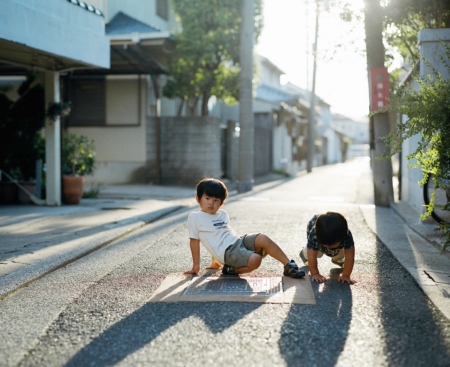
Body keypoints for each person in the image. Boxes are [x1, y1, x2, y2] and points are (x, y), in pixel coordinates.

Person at [184, 178, 305, 278]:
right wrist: (196, 266)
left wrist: (215, 262)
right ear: (198, 199)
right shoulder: (195, 217)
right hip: (228, 252)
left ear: (222, 203)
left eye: (216, 200)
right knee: (256, 259)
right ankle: (231, 270)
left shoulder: (222, 214)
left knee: (262, 238)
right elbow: (194, 241)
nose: (211, 203)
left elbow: (216, 236)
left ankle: (288, 266)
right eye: (207, 198)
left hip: (238, 241)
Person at [299, 212, 357, 284]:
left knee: (342, 252)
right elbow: (312, 256)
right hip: (318, 241)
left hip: (337, 244)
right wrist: (315, 273)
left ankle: (337, 258)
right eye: (326, 245)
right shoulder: (314, 234)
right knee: (315, 253)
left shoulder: (347, 234)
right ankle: (304, 253)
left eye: (332, 244)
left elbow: (350, 257)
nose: (329, 247)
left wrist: (346, 275)